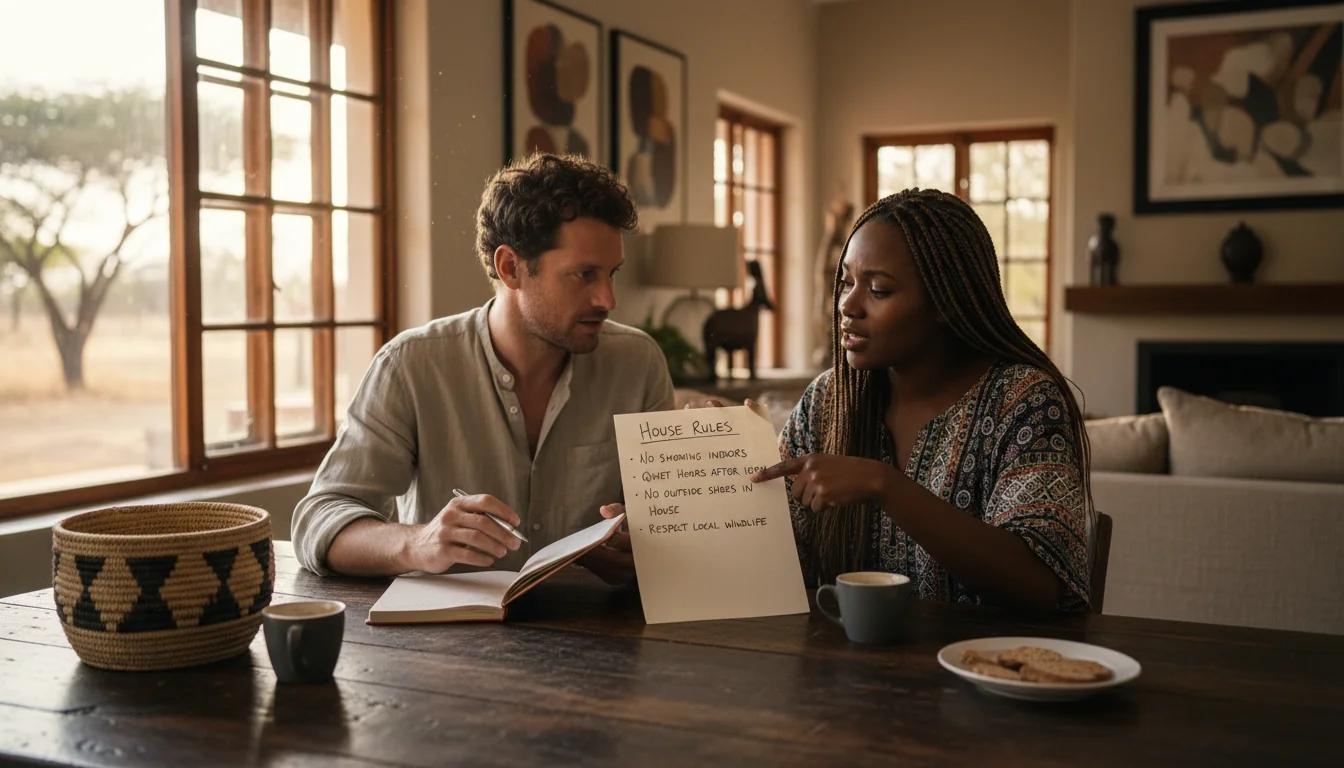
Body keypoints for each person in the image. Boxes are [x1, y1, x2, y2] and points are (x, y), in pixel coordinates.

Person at [292, 153, 675, 583]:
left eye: (612, 273)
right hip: (448, 643)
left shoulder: (638, 363)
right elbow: (319, 520)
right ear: (510, 268)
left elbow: (669, 526)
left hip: (606, 636)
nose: (608, 299)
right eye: (584, 274)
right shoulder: (412, 365)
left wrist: (647, 541)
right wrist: (418, 543)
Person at [751, 188, 1093, 612]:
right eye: (846, 284)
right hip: (842, 670)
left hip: (985, 670)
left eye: (878, 290)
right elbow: (777, 562)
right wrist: (728, 460)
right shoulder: (828, 400)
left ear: (945, 304)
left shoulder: (1024, 402)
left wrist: (884, 485)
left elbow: (1042, 585)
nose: (848, 305)